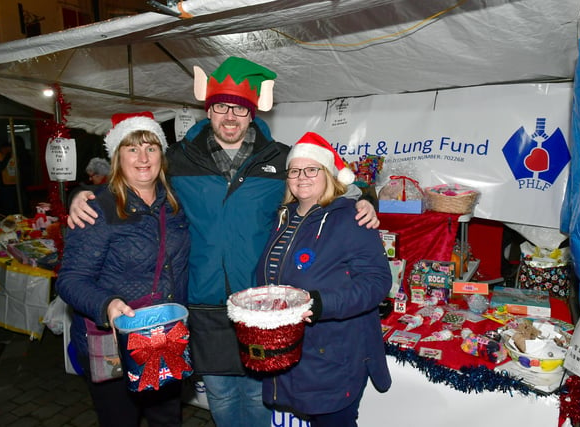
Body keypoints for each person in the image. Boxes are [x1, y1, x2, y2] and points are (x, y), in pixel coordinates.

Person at [67, 56, 379, 427]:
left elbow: (327, 180)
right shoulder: (177, 159)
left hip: (259, 305)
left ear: (252, 113)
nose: (230, 117)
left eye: (239, 109)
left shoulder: (279, 158)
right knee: (221, 396)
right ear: (208, 109)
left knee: (258, 395)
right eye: (220, 107)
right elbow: (135, 176)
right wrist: (82, 194)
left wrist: (364, 200)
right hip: (202, 303)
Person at [57, 112, 191, 427]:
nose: (143, 157)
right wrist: (106, 305)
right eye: (132, 149)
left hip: (166, 337)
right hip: (115, 343)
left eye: (151, 147)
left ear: (162, 154)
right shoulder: (98, 209)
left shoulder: (175, 205)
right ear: (117, 156)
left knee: (168, 419)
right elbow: (70, 280)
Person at [256, 131, 392, 427]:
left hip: (334, 356)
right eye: (294, 170)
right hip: (293, 351)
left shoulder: (350, 218)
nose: (301, 177)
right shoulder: (284, 217)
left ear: (328, 174)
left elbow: (378, 281)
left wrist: (320, 303)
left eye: (311, 169)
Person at [0, 142, 18, 214]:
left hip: (15, 183)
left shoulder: (13, 155)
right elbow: (0, 167)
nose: (8, 150)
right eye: (6, 148)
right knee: (7, 204)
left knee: (15, 204)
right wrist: (8, 156)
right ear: (2, 149)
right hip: (4, 184)